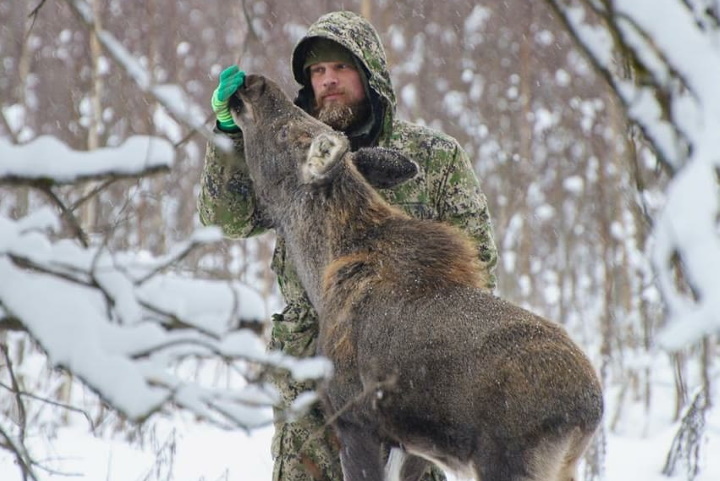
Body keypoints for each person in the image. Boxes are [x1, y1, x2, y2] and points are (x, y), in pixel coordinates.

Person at [198, 10, 498, 481]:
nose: (328, 82)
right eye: (318, 72)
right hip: (313, 378)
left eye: (341, 68)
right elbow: (226, 220)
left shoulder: (434, 157)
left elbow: (478, 271)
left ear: (370, 75)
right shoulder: (289, 152)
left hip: (412, 379)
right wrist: (232, 134)